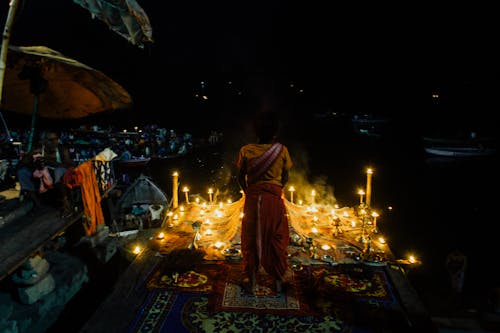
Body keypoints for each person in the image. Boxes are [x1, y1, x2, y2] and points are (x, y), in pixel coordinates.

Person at [236, 111, 293, 294]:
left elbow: (240, 177)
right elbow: (285, 176)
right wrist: (276, 190)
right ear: (275, 133)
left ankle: (252, 284)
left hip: (253, 200)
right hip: (273, 200)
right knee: (276, 238)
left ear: (256, 132)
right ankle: (277, 283)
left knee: (251, 237)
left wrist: (249, 191)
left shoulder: (246, 150)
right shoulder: (282, 150)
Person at [16, 130, 74, 217]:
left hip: (58, 177)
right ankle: (37, 203)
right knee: (22, 172)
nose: (54, 142)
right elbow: (21, 164)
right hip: (42, 177)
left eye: (56, 139)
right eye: (50, 140)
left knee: (59, 171)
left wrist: (49, 162)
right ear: (43, 141)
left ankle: (66, 205)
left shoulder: (62, 149)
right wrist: (31, 160)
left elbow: (69, 166)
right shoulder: (38, 150)